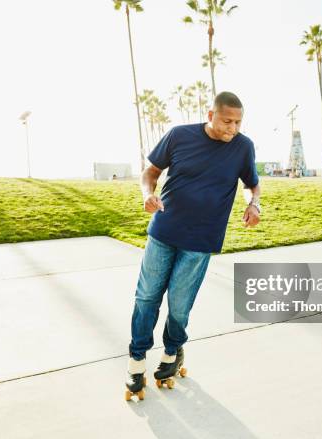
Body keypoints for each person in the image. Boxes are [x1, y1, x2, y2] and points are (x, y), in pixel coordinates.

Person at [125, 92, 261, 397]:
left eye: (238, 122)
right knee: (147, 297)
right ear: (210, 115)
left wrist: (254, 204)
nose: (232, 128)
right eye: (227, 121)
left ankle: (172, 352)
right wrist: (147, 194)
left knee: (180, 304)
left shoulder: (243, 147)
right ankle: (136, 361)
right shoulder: (179, 135)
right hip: (164, 231)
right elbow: (151, 172)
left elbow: (251, 184)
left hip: (201, 240)